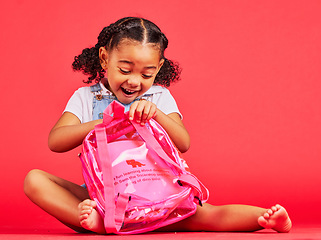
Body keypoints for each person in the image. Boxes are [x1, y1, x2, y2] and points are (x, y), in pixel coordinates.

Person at [24, 17, 292, 234]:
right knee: (34, 179)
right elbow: (56, 141)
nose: (134, 82)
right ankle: (104, 220)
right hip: (108, 196)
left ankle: (265, 218)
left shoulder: (159, 96)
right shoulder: (87, 97)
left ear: (159, 67)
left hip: (162, 195)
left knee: (209, 215)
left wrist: (156, 115)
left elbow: (183, 143)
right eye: (125, 70)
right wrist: (104, 122)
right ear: (105, 59)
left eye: (147, 74)